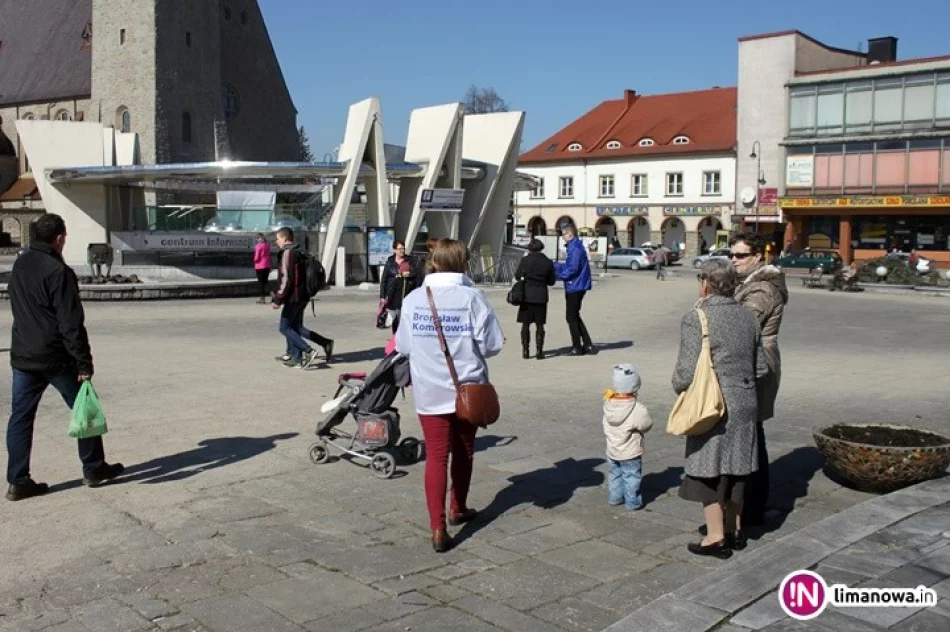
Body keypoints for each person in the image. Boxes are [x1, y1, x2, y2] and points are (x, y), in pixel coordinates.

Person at [395, 239, 504, 552]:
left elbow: (403, 346)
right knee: (464, 450)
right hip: (466, 390)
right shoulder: (472, 297)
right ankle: (458, 507)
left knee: (436, 457)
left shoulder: (415, 299)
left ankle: (437, 528)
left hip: (430, 390)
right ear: (463, 264)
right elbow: (492, 344)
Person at [6, 214, 124, 501]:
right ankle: (94, 467)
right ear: (59, 238)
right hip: (56, 357)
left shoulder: (20, 263)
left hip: (23, 354)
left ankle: (18, 480)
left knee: (20, 417)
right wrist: (84, 363)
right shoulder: (59, 272)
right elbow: (71, 323)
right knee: (85, 407)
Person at [674, 260, 766, 559]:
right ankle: (735, 530)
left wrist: (678, 386)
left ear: (705, 283)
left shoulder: (697, 317)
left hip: (713, 404)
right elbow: (762, 367)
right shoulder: (749, 317)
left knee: (707, 471)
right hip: (746, 401)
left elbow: (686, 373)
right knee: (738, 469)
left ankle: (715, 537)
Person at [730, 231, 788, 526]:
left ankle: (753, 507)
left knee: (753, 436)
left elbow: (742, 325)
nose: (734, 260)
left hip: (758, 364)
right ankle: (750, 504)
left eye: (740, 255)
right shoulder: (750, 284)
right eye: (731, 255)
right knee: (752, 435)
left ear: (757, 257)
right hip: (751, 361)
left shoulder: (762, 289)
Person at [272, 228, 333, 368]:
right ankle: (297, 359)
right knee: (295, 326)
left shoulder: (288, 253)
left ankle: (308, 351)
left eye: (278, 239)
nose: (276, 242)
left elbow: (286, 278)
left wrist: (278, 298)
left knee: (284, 328)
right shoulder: (301, 251)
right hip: (304, 295)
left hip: (294, 297)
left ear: (285, 239)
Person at [603, 364, 653, 511]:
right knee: (631, 477)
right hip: (630, 452)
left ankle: (615, 497)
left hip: (612, 449)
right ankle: (632, 501)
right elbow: (646, 424)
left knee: (614, 474)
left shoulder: (608, 404)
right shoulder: (637, 409)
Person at [553, 221, 593, 356]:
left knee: (571, 316)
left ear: (569, 233)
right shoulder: (574, 246)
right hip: (577, 284)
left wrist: (558, 275)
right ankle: (587, 344)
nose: (562, 237)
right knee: (574, 315)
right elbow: (570, 265)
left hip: (575, 285)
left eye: (563, 234)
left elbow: (572, 268)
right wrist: (556, 265)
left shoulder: (575, 248)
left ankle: (577, 346)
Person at [514, 239, 555, 360]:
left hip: (526, 296)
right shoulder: (547, 262)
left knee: (525, 324)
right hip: (541, 296)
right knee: (540, 325)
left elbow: (517, 276)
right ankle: (539, 351)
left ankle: (525, 351)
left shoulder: (525, 260)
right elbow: (551, 282)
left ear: (529, 248)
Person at [379, 240, 418, 333]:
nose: (402, 251)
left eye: (403, 249)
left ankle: (403, 341)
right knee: (395, 321)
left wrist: (410, 274)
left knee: (404, 320)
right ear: (394, 250)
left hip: (406, 294)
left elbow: (416, 274)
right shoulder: (390, 262)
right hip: (393, 296)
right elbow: (384, 280)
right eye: (399, 249)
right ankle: (396, 341)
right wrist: (382, 297)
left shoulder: (410, 261)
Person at [253, 233, 271, 304]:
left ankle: (262, 298)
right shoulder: (267, 245)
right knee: (265, 281)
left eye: (257, 238)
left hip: (260, 266)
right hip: (267, 265)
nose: (256, 239)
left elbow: (257, 257)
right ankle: (273, 294)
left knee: (261, 283)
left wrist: (254, 260)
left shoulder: (258, 246)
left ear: (259, 238)